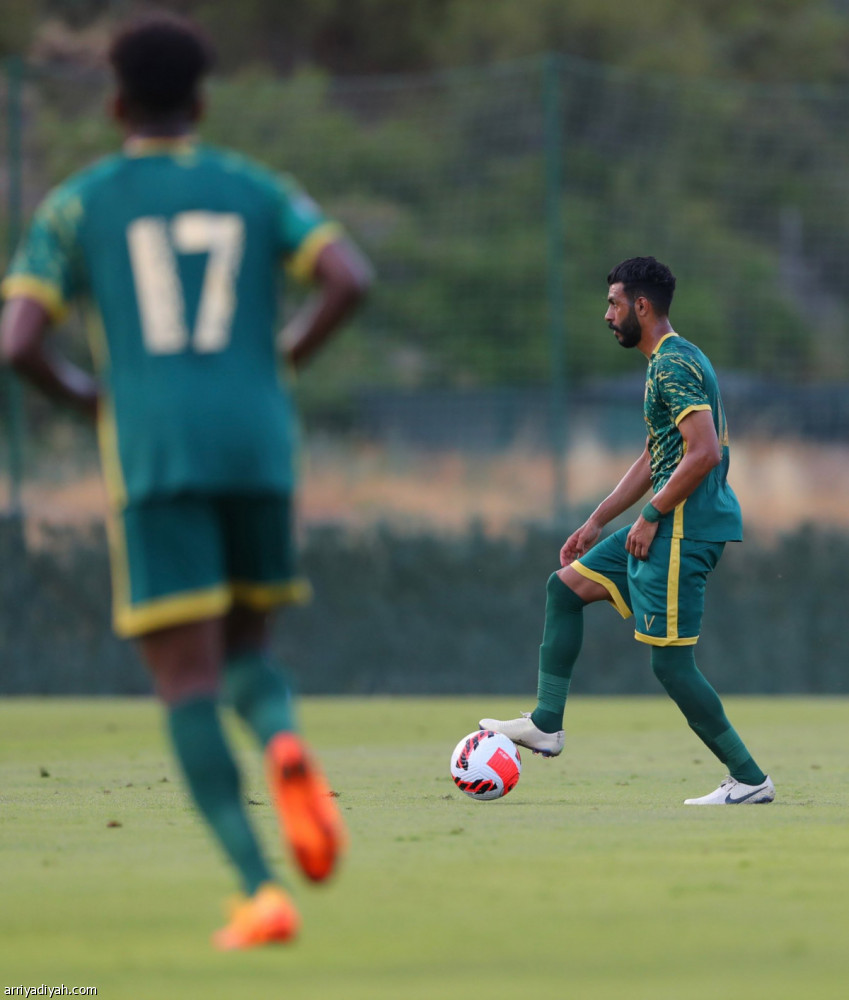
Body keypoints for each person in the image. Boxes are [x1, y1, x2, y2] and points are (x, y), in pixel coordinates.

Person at [0, 13, 372, 948]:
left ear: (117, 102)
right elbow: (347, 278)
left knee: (185, 677)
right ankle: (283, 739)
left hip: (157, 454)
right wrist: (278, 361)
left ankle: (260, 891)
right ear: (200, 103)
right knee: (249, 652)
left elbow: (16, 344)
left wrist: (93, 400)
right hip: (257, 447)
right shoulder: (254, 187)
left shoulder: (78, 205)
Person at [481, 256, 774, 806]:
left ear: (642, 306)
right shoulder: (669, 360)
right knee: (564, 588)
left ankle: (751, 779)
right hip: (668, 523)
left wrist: (651, 516)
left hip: (683, 528)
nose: (608, 314)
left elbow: (704, 453)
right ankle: (546, 723)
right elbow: (656, 456)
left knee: (670, 663)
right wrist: (596, 520)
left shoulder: (672, 363)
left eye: (614, 303)